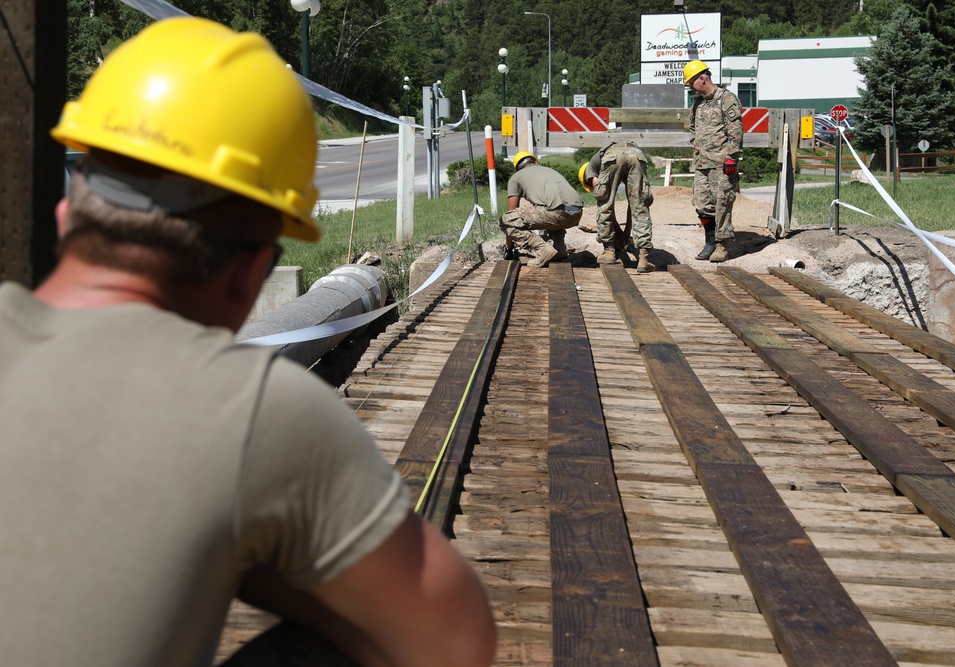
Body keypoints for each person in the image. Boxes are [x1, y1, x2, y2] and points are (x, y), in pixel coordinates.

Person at [0, 17, 496, 667]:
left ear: (69, 214)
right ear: (250, 272)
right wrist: (241, 552)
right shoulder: (258, 411)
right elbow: (454, 640)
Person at [686, 59, 744, 263]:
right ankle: (710, 241)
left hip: (722, 164)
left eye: (691, 83)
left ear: (702, 79)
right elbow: (693, 128)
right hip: (702, 164)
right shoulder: (698, 104)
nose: (690, 87)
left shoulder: (726, 98)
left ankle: (722, 246)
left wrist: (732, 157)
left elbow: (735, 131)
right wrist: (696, 145)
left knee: (723, 204)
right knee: (702, 204)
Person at [579, 142, 657, 273]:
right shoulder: (600, 156)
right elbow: (633, 205)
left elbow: (606, 203)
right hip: (636, 155)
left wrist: (614, 234)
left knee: (604, 201)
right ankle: (644, 258)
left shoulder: (590, 170)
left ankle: (608, 253)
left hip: (613, 156)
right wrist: (625, 233)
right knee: (640, 204)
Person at [500, 151, 583, 267]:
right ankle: (559, 250)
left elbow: (510, 213)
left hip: (555, 213)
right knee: (548, 208)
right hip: (577, 213)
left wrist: (509, 248)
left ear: (517, 169)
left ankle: (542, 249)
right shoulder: (550, 171)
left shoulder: (516, 177)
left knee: (505, 220)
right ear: (536, 162)